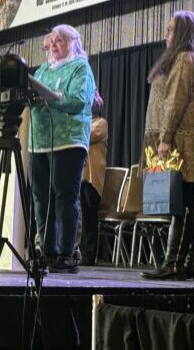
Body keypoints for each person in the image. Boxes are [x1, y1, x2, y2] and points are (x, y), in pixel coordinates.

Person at [141, 11, 194, 281]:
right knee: (187, 203)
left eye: (171, 30)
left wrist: (165, 138)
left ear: (184, 33)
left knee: (183, 203)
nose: (166, 35)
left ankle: (173, 262)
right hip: (182, 134)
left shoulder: (186, 58)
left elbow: (175, 100)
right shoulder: (185, 58)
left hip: (182, 137)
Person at [30, 24, 96, 273]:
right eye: (52, 40)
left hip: (68, 141)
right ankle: (47, 251)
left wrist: (51, 96)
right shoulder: (42, 70)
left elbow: (79, 100)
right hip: (40, 142)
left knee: (64, 197)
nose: (54, 44)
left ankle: (66, 253)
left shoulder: (80, 67)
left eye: (60, 40)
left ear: (73, 43)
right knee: (40, 196)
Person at [79, 90, 107, 266]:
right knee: (80, 219)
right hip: (80, 178)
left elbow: (85, 137)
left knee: (89, 218)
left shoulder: (101, 124)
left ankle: (89, 256)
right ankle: (78, 253)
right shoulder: (85, 123)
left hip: (92, 180)